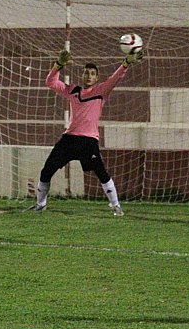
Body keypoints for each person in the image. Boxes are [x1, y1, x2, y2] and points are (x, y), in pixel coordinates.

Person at [28, 48, 144, 215]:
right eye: (86, 73)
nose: (89, 76)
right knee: (47, 170)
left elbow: (116, 78)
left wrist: (126, 63)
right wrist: (58, 65)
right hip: (69, 140)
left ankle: (116, 206)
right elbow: (50, 82)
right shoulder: (73, 91)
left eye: (92, 73)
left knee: (101, 173)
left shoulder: (101, 91)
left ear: (97, 78)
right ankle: (40, 205)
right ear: (82, 76)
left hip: (89, 141)